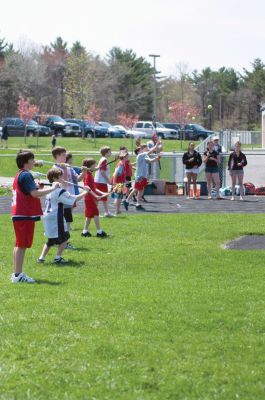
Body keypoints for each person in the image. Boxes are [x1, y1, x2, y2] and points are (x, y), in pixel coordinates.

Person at [11, 150, 59, 283]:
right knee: (22, 245)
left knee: (19, 244)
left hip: (19, 214)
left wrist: (38, 187)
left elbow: (30, 190)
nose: (34, 161)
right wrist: (53, 188)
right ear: (27, 162)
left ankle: (17, 274)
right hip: (23, 214)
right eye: (32, 159)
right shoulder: (26, 175)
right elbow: (34, 194)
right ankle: (18, 275)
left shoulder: (21, 174)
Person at [38, 168, 90, 264]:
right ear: (55, 178)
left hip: (47, 217)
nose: (63, 178)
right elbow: (74, 199)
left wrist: (63, 183)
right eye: (61, 176)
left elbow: (63, 189)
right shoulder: (59, 191)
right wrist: (85, 192)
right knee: (65, 238)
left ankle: (41, 258)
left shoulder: (49, 190)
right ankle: (58, 258)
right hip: (56, 218)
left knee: (51, 240)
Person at [52, 146, 86, 249]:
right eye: (63, 155)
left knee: (68, 220)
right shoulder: (55, 168)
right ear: (57, 156)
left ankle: (64, 241)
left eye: (65, 155)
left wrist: (84, 172)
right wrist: (65, 169)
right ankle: (62, 242)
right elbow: (64, 183)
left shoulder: (68, 167)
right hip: (62, 198)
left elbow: (78, 179)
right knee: (62, 221)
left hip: (69, 197)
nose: (65, 157)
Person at [123, 142, 160, 211]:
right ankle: (127, 200)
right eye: (145, 148)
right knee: (136, 189)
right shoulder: (140, 155)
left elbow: (149, 161)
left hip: (143, 176)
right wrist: (156, 146)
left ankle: (138, 204)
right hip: (140, 176)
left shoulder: (144, 156)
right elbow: (149, 152)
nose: (147, 149)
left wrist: (156, 159)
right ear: (140, 150)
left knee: (141, 190)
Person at [81, 159, 109, 238]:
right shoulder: (88, 175)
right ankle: (99, 232)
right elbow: (87, 187)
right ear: (89, 166)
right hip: (89, 198)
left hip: (90, 197)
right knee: (96, 213)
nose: (95, 167)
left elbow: (93, 188)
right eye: (94, 165)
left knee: (89, 215)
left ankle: (85, 231)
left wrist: (103, 193)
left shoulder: (89, 174)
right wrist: (95, 196)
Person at [94, 146, 113, 217]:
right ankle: (95, 212)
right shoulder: (104, 160)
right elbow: (102, 172)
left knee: (104, 197)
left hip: (101, 181)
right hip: (100, 182)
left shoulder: (103, 159)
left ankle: (106, 212)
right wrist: (109, 181)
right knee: (98, 198)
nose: (111, 153)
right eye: (110, 152)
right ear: (106, 153)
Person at [112, 150, 127, 215]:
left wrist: (125, 180)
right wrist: (115, 183)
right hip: (118, 183)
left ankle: (117, 210)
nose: (128, 158)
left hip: (120, 183)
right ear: (124, 157)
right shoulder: (121, 164)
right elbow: (115, 174)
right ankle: (117, 211)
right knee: (119, 197)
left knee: (119, 197)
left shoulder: (122, 163)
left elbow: (120, 174)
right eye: (127, 156)